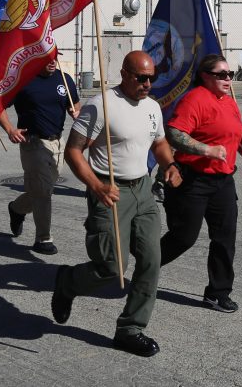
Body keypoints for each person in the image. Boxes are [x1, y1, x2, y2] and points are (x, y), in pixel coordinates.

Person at [52, 50, 179, 357]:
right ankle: (68, 282)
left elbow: (159, 142)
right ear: (124, 74)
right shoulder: (101, 105)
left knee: (151, 261)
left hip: (143, 191)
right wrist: (96, 186)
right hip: (109, 191)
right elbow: (73, 152)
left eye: (152, 78)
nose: (147, 84)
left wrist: (169, 166)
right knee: (112, 267)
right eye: (141, 78)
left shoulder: (152, 107)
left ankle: (130, 329)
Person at [159, 54, 242, 314]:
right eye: (222, 74)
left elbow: (240, 135)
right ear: (205, 76)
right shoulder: (195, 99)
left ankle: (217, 293)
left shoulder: (228, 101)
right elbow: (173, 132)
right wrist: (206, 150)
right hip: (194, 180)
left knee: (225, 239)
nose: (228, 79)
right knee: (183, 237)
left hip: (223, 182)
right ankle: (147, 265)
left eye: (231, 74)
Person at [0, 54, 80, 255]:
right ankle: (43, 239)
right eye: (47, 58)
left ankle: (17, 209)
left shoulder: (64, 79)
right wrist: (10, 129)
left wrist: (76, 111)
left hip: (58, 142)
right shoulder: (23, 81)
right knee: (43, 192)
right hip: (32, 142)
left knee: (42, 191)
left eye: (54, 58)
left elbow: (75, 104)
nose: (52, 62)